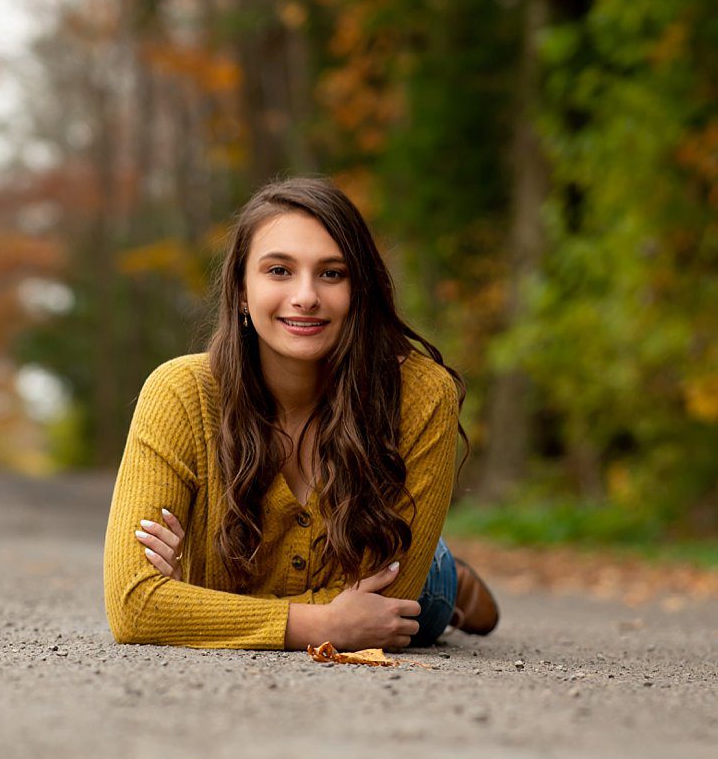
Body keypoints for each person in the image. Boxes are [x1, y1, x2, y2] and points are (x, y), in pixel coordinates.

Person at [103, 178, 502, 651]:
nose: (306, 296)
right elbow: (134, 607)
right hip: (334, 591)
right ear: (242, 291)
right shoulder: (179, 393)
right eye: (279, 271)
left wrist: (190, 603)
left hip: (400, 569)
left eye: (332, 274)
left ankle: (449, 576)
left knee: (423, 598)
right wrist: (322, 624)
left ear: (359, 290)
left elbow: (379, 611)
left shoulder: (421, 394)